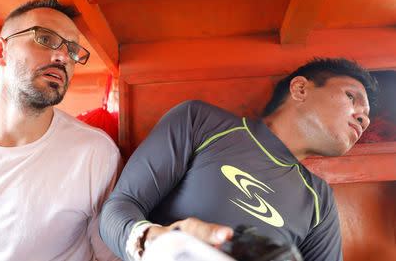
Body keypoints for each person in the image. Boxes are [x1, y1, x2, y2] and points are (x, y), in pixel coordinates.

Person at [99, 58, 379, 261]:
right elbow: (119, 208)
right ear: (301, 89)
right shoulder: (201, 122)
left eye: (366, 117)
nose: (363, 118)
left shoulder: (320, 200)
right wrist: (160, 244)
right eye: (351, 97)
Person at [0, 0, 121, 261]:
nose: (63, 56)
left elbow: (111, 255)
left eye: (72, 50)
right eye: (46, 39)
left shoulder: (95, 152)